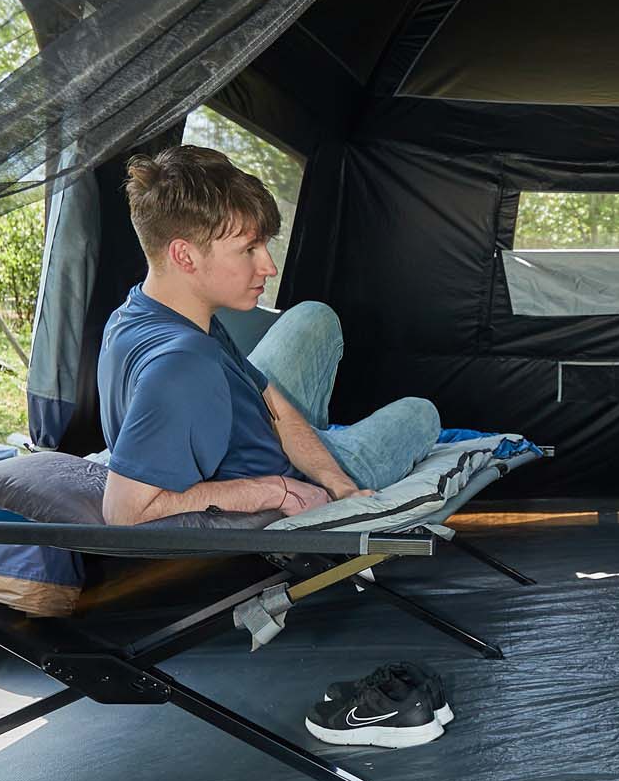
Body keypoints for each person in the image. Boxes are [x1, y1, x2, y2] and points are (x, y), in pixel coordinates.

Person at [97, 144, 439, 526]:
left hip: (249, 424)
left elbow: (270, 399)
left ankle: (324, 445)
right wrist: (280, 489)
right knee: (421, 413)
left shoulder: (147, 311)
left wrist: (338, 482)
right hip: (278, 471)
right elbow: (123, 511)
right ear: (185, 256)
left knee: (314, 316)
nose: (270, 267)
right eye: (249, 249)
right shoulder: (184, 364)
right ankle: (339, 447)